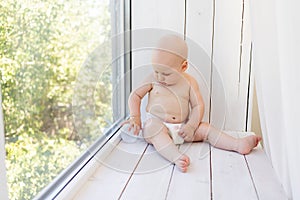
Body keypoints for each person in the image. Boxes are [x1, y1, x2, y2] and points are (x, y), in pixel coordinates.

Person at [123, 34, 261, 172]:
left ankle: (237, 144)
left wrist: (191, 126)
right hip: (157, 125)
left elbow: (198, 106)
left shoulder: (189, 83)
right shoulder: (152, 79)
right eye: (156, 71)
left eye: (166, 74)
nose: (159, 77)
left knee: (206, 128)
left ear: (183, 66)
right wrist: (135, 118)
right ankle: (175, 156)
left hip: (182, 129)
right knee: (152, 128)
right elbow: (135, 96)